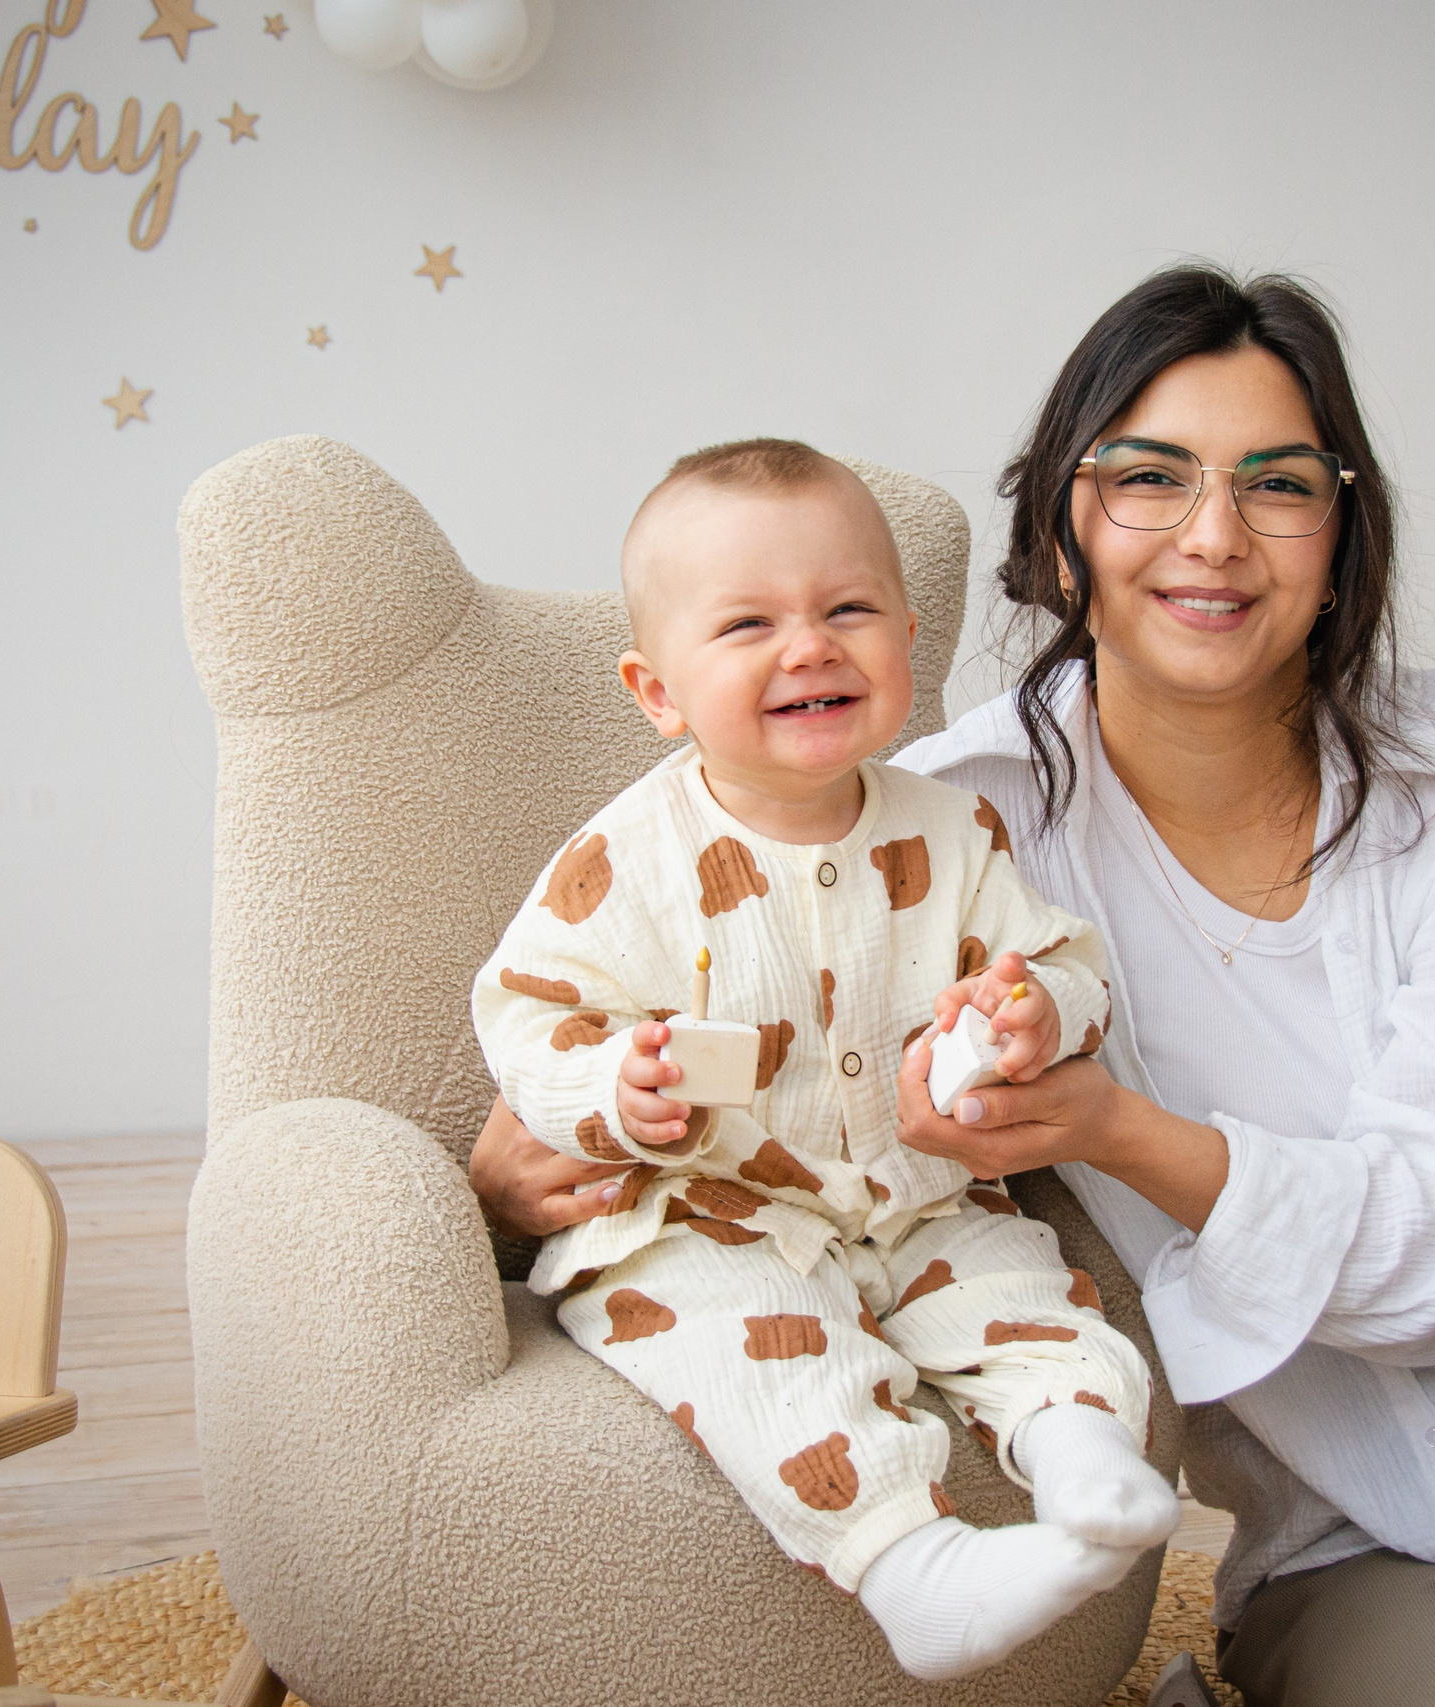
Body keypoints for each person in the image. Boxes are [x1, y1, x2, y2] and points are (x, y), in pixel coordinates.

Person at [471, 275, 1435, 1707]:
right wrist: (522, 1154)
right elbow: (718, 996)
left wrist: (1116, 1130)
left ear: (1342, 534)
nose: (1214, 536)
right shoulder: (939, 827)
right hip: (1362, 1553)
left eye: (1280, 484)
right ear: (1064, 532)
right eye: (1149, 478)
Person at [472, 438, 1175, 1683]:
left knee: (1034, 1298)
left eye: (848, 611)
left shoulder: (952, 826)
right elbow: (528, 1014)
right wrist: (610, 1092)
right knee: (760, 1356)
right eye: (749, 624)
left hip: (922, 1198)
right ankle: (914, 1568)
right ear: (658, 691)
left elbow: (1065, 962)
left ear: (908, 640)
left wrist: (1032, 1012)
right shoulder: (625, 859)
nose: (809, 648)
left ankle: (1078, 1456)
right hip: (706, 1215)